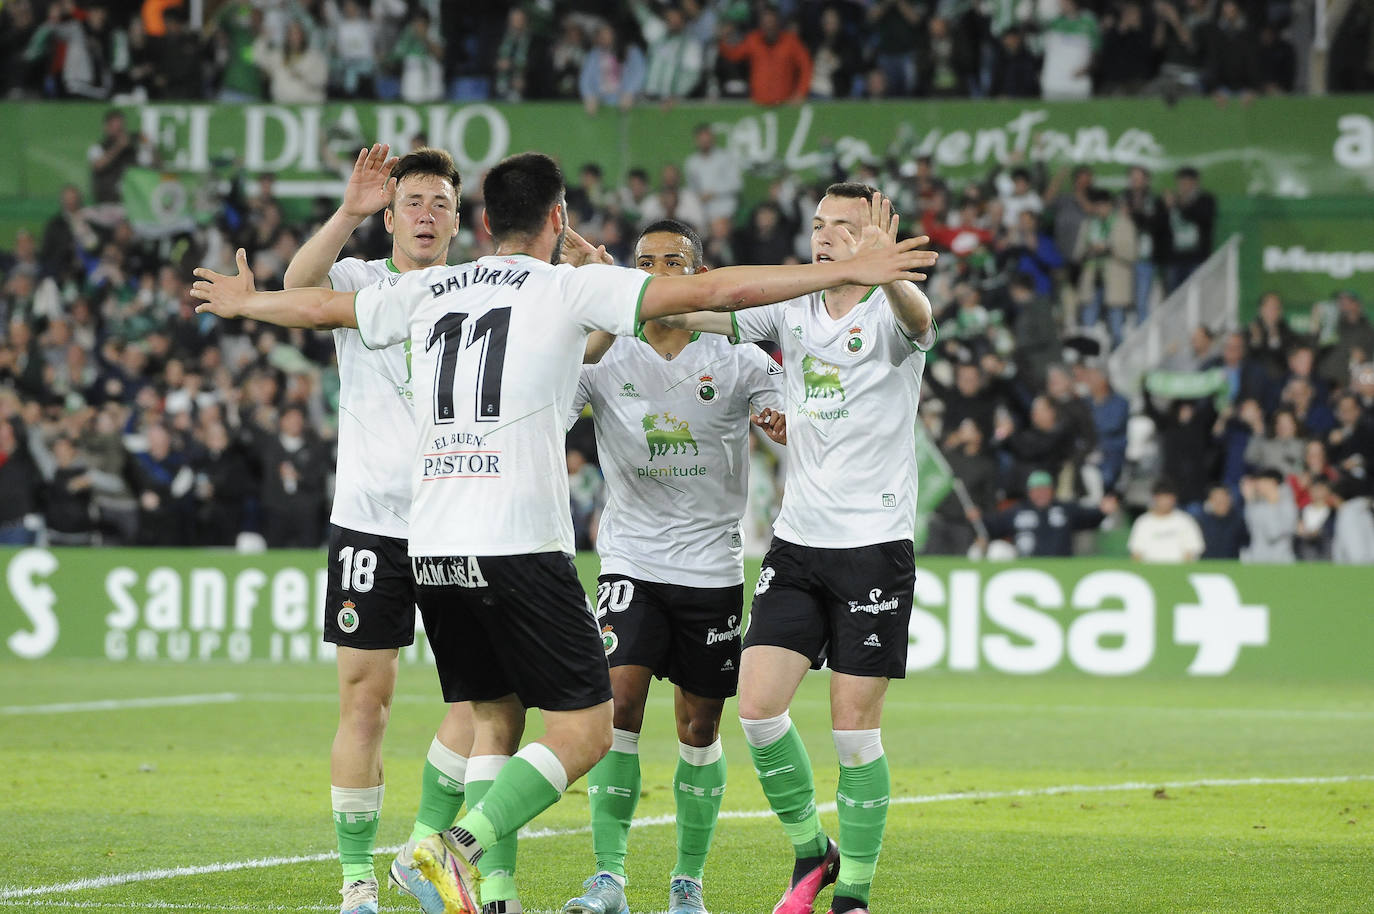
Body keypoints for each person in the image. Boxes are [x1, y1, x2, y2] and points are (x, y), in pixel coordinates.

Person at [191, 153, 938, 914]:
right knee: (585, 729)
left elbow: (320, 309)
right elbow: (715, 289)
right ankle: (453, 847)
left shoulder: (428, 285)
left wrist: (244, 306)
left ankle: (496, 891)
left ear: (480, 223)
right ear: (558, 219)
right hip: (517, 540)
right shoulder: (568, 285)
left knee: (493, 716)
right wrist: (849, 270)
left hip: (434, 546)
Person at [652, 184, 937, 914]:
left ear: (874, 235)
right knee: (757, 710)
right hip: (798, 543)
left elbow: (921, 317)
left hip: (873, 547)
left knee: (853, 733)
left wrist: (890, 274)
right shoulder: (791, 308)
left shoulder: (889, 314)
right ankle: (814, 850)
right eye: (818, 225)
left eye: (844, 227)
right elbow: (698, 308)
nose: (826, 237)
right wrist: (626, 288)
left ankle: (856, 897)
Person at [561, 219, 787, 914]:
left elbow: (784, 407)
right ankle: (608, 879)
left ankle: (687, 882)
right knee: (617, 705)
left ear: (698, 270)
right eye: (645, 262)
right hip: (631, 558)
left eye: (674, 261)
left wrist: (778, 422)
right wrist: (595, 314)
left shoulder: (740, 355)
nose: (658, 270)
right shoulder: (606, 358)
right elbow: (545, 409)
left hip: (712, 569)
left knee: (699, 728)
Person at [281, 145, 482, 914]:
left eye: (441, 203)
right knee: (364, 702)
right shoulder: (360, 278)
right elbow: (297, 286)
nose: (426, 215)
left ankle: (424, 847)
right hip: (369, 525)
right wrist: (347, 212)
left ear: (459, 220)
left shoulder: (475, 290)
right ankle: (357, 877)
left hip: (459, 521)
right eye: (414, 202)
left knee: (485, 697)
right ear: (391, 214)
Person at [984, 470, 1118, 557]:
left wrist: (1102, 511)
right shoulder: (1017, 512)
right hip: (1026, 567)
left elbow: (1089, 518)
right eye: (1037, 490)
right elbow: (994, 527)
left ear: (1051, 491)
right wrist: (980, 518)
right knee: (997, 549)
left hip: (1060, 568)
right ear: (1030, 492)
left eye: (1044, 489)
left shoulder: (1064, 509)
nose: (1041, 493)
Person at [1127, 478, 1204, 562]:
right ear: (1155, 498)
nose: (1166, 502)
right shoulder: (1143, 522)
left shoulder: (1186, 521)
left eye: (1169, 498)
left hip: (1179, 572)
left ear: (1174, 499)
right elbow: (1136, 554)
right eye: (1163, 498)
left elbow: (1191, 552)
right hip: (1149, 571)